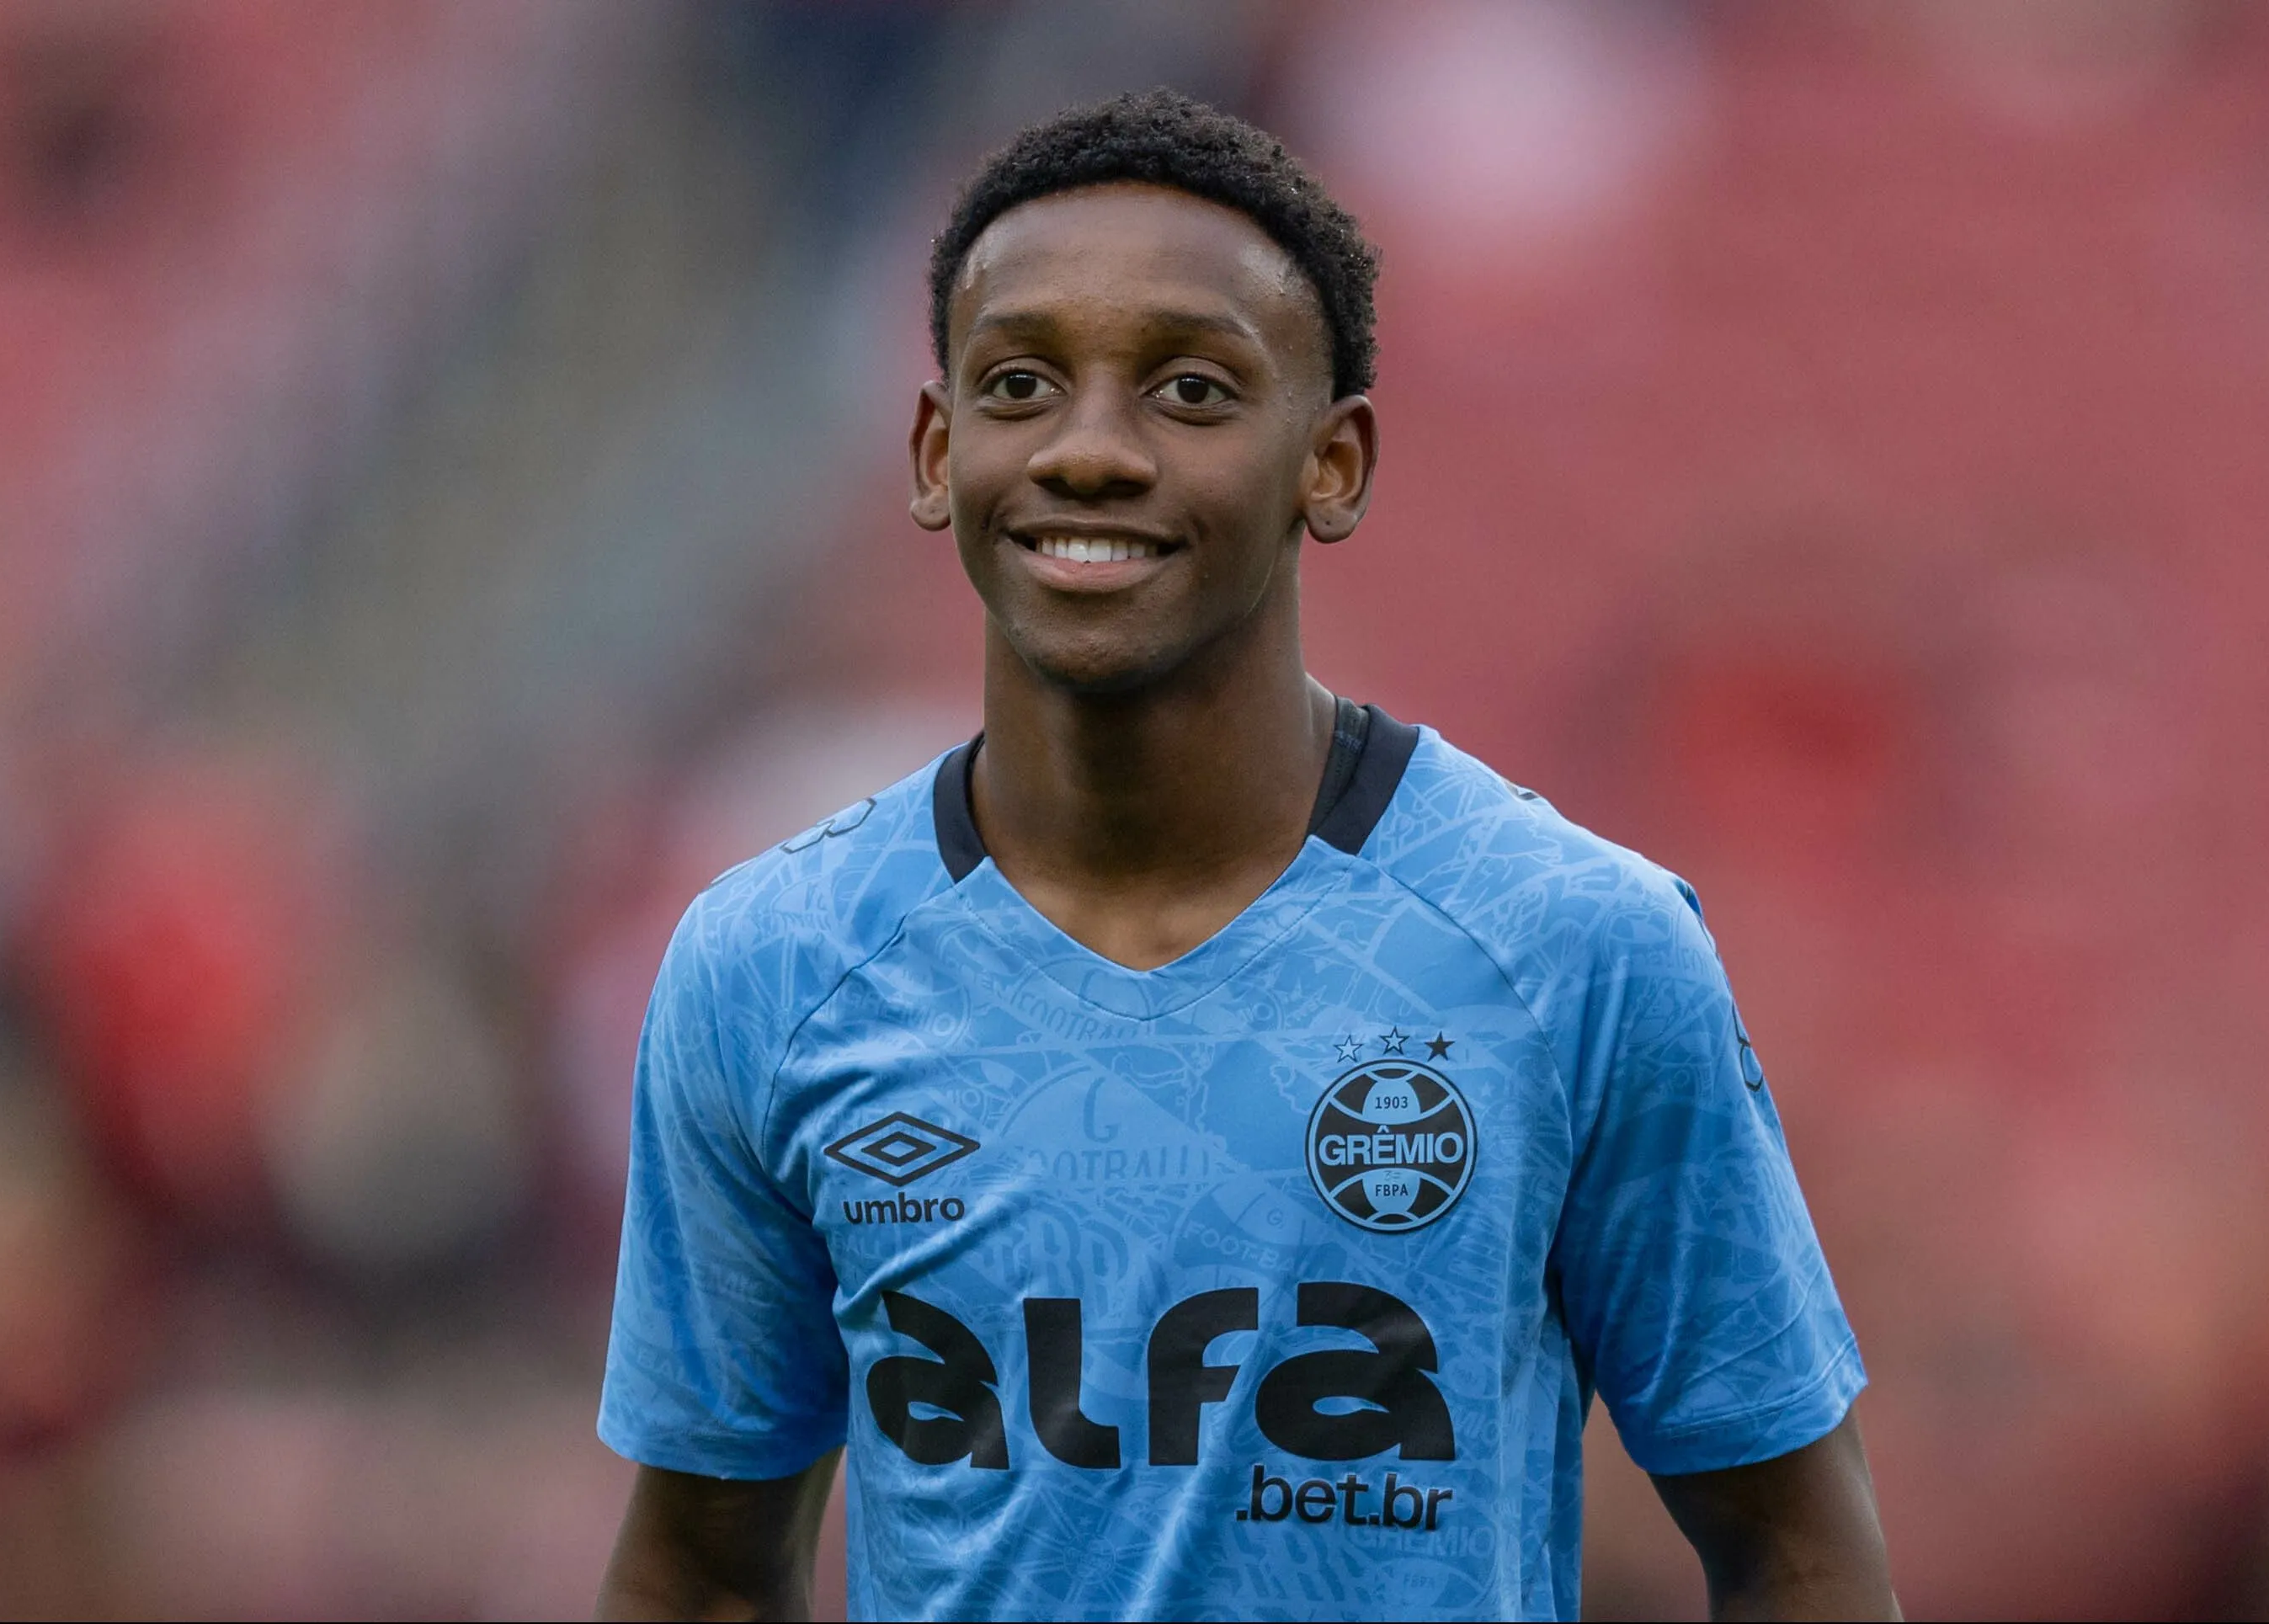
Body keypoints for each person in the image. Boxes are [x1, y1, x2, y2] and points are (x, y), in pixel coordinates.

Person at [594, 89, 1893, 1622]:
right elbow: (701, 1575)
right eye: (1019, 384)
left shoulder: (1574, 948)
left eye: (1191, 391)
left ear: (1329, 464)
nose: (1089, 450)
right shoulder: (773, 967)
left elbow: (1795, 1555)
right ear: (938, 451)